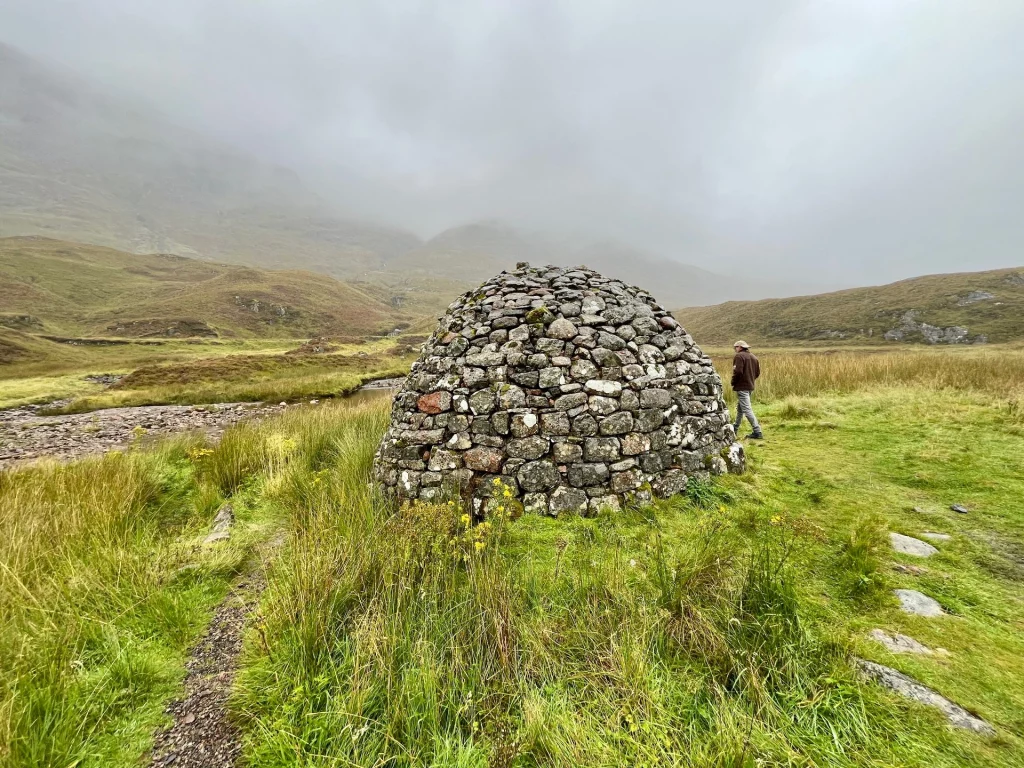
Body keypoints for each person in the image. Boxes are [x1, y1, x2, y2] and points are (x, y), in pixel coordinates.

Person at [731, 340, 763, 439]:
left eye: (735, 347)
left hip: (742, 387)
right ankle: (735, 428)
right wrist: (750, 379)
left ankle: (757, 431)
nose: (735, 349)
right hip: (750, 386)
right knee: (740, 409)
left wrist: (733, 381)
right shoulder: (754, 357)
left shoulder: (739, 356)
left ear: (740, 347)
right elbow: (757, 373)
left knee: (747, 409)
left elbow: (738, 372)